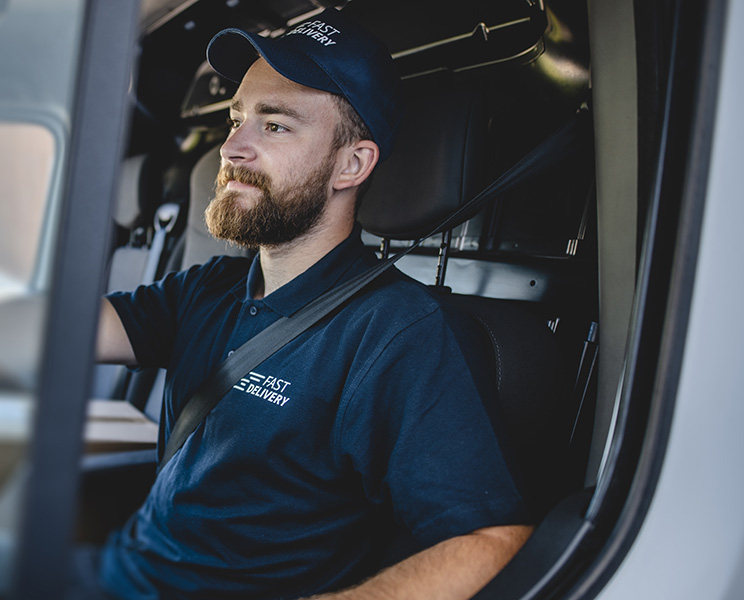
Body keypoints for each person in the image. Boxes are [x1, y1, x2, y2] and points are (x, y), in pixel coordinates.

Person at [92, 9, 532, 600]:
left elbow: (490, 538)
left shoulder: (400, 333)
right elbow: (74, 331)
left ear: (351, 164)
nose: (232, 149)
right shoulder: (213, 285)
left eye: (274, 126)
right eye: (236, 118)